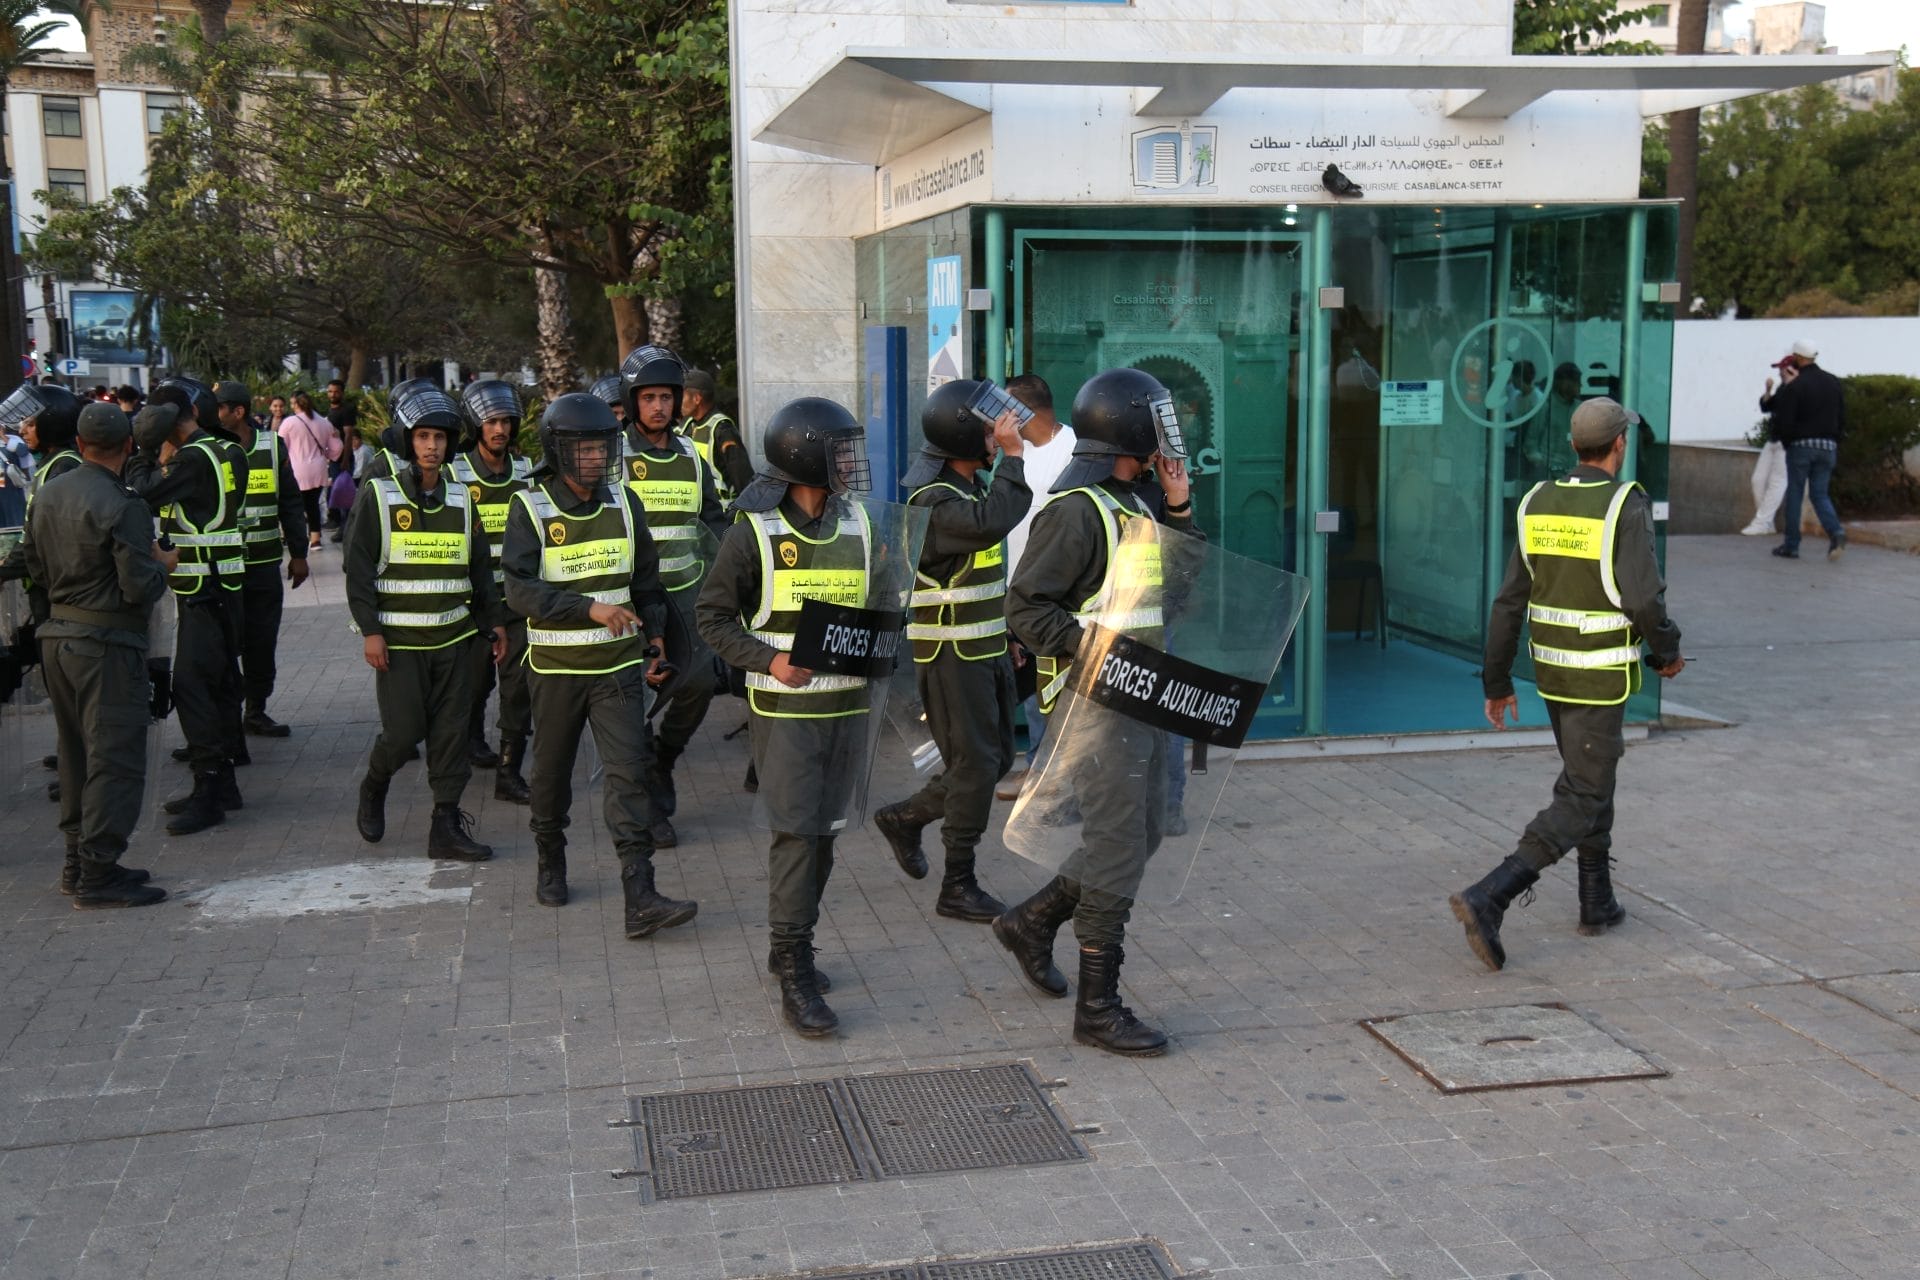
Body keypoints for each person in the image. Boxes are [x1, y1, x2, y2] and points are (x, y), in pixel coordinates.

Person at [994, 367, 1195, 1057]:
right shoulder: (1076, 510)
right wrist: (1092, 651)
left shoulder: (1133, 506)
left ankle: (1033, 919)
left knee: (1144, 832)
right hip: (1095, 707)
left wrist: (1179, 509)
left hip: (1143, 696)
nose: (1170, 435)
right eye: (1158, 422)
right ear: (1128, 431)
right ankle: (1098, 1007)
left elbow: (1175, 601)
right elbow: (1025, 608)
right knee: (1116, 843)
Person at [1448, 398, 1684, 972]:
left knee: (1589, 777)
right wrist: (1669, 649)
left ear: (1575, 446)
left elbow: (1509, 601)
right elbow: (1643, 599)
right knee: (1583, 792)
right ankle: (1492, 893)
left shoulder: (1537, 500)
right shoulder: (1625, 504)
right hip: (1599, 676)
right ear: (1618, 445)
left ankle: (1596, 899)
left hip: (1553, 673)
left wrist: (1498, 678)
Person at [697, 397, 893, 1037]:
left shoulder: (861, 524)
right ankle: (797, 966)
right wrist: (770, 659)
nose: (850, 463)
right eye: (840, 451)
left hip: (848, 708)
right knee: (795, 835)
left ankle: (789, 944)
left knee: (827, 831)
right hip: (785, 712)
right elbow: (713, 619)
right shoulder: (752, 533)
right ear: (806, 457)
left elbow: (883, 605)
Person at [501, 393, 692, 932]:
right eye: (583, 449)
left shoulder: (626, 504)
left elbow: (647, 585)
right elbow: (519, 590)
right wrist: (588, 608)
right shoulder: (530, 506)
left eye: (602, 447)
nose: (595, 458)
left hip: (616, 670)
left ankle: (641, 893)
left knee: (629, 774)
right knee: (551, 774)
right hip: (557, 670)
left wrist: (655, 640)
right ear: (558, 452)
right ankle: (550, 858)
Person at [872, 381, 1031, 921]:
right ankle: (957, 884)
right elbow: (993, 524)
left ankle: (905, 818)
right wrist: (1014, 457)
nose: (999, 434)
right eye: (989, 427)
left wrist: (1004, 636)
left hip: (983, 649)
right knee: (976, 766)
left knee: (993, 760)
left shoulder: (967, 489)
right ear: (964, 434)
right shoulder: (935, 503)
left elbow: (983, 575)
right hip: (950, 658)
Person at [20, 401, 175, 907]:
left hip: (57, 641)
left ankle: (77, 861)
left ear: (80, 446)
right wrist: (164, 563)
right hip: (105, 647)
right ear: (129, 446)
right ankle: (97, 873)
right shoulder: (123, 504)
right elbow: (138, 588)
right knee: (114, 757)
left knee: (75, 756)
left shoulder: (48, 494)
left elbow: (35, 569)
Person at [345, 387, 502, 861]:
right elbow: (358, 569)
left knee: (451, 734)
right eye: (423, 436)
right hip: (400, 645)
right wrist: (371, 631)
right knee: (402, 734)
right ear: (408, 440)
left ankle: (446, 825)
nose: (432, 445)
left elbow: (478, 568)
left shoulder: (461, 495)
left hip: (455, 640)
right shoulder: (379, 494)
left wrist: (492, 625)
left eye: (440, 437)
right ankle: (375, 785)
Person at [616, 345, 730, 848]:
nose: (659, 406)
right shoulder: (611, 454)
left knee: (699, 687)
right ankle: (648, 807)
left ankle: (666, 758)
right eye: (649, 397)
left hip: (686, 597)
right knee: (636, 701)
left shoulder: (693, 455)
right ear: (633, 401)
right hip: (631, 603)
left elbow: (712, 517)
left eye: (667, 396)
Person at [125, 387, 249, 836]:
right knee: (217, 687)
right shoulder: (227, 450)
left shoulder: (191, 460)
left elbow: (139, 495)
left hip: (204, 591)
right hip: (225, 588)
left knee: (193, 689)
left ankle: (209, 791)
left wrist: (142, 450)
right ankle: (226, 786)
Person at [450, 379, 534, 803]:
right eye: (490, 421)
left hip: (517, 602)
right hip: (473, 606)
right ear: (474, 425)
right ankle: (468, 740)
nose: (499, 429)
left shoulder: (526, 470)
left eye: (505, 421)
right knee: (474, 685)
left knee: (518, 690)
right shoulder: (455, 472)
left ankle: (509, 770)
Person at [997, 373, 1077, 801]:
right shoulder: (1016, 452)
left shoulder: (1073, 451)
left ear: (1024, 411)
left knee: (1056, 689)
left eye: (1004, 407)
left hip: (1058, 594)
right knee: (1031, 688)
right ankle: (1038, 769)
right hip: (1022, 590)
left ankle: (1054, 781)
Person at [216, 381, 309, 739]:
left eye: (218, 407)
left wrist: (299, 554)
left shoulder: (272, 446)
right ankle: (224, 720)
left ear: (236, 412)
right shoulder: (210, 449)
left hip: (262, 567)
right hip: (222, 570)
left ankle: (255, 711)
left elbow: (290, 501)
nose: (213, 414)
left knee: (260, 642)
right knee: (222, 645)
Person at [1759, 339, 1847, 561]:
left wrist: (1788, 442)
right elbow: (1841, 416)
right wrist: (1834, 440)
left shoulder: (1795, 386)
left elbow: (1785, 420)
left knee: (1795, 494)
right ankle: (1836, 532)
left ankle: (1791, 545)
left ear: (1798, 358)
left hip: (1801, 447)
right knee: (1820, 494)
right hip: (1828, 447)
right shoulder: (1833, 382)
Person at [279, 391, 342, 553]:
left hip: (296, 470)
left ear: (297, 404)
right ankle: (315, 539)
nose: (291, 407)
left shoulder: (289, 422)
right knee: (312, 504)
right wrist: (327, 455)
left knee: (296, 506)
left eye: (292, 403)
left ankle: (294, 537)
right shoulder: (324, 422)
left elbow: (281, 447)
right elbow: (336, 449)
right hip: (319, 469)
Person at [680, 368, 753, 501]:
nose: (678, 401)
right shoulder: (686, 427)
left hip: (720, 515)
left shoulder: (722, 429)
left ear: (696, 399)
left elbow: (743, 478)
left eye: (682, 395)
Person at [1746, 356, 1795, 538]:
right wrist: (1768, 390)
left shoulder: (1796, 389)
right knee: (1758, 480)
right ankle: (1765, 521)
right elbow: (1767, 406)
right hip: (1774, 440)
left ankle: (1762, 522)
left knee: (1777, 482)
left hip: (1786, 442)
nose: (1780, 372)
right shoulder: (1783, 388)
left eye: (1783, 369)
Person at [0, 421, 32, 562]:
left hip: (12, 487)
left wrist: (4, 438)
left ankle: (16, 552)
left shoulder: (14, 440)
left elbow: (23, 453)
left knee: (15, 516)